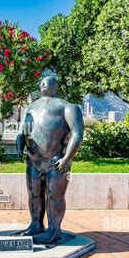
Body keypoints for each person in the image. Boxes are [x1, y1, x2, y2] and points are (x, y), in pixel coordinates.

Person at [16, 76, 83, 244]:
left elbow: (77, 134)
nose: (43, 83)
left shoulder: (67, 107)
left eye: (47, 81)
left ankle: (54, 229)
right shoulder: (31, 107)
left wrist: (68, 158)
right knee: (34, 194)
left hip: (56, 161)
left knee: (55, 196)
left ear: (56, 86)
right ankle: (36, 224)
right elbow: (23, 130)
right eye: (41, 81)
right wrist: (19, 146)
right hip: (33, 161)